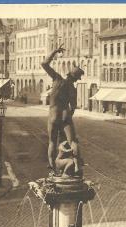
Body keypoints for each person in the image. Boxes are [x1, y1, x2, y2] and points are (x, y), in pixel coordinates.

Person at [41, 45, 84, 176]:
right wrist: (67, 119)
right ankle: (76, 165)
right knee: (73, 142)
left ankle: (53, 169)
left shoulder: (57, 78)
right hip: (65, 114)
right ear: (76, 79)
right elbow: (74, 106)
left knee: (52, 142)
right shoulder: (72, 88)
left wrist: (55, 51)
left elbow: (44, 63)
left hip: (53, 114)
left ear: (68, 74)